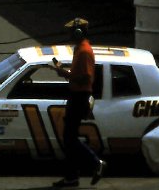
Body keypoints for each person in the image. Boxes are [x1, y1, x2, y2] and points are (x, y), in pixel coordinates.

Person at [52, 18, 106, 188]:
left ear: (78, 32)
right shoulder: (79, 50)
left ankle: (96, 163)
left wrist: (65, 74)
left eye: (71, 32)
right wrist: (65, 70)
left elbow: (86, 77)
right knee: (69, 138)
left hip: (79, 97)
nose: (68, 35)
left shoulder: (84, 51)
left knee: (70, 138)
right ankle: (71, 177)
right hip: (76, 95)